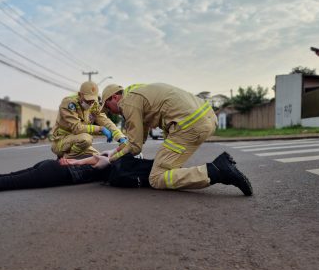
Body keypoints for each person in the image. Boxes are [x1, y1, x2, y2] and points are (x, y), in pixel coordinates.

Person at [101, 83, 253, 196]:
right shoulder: (138, 93)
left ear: (114, 97)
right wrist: (120, 149)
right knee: (166, 166)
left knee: (156, 177)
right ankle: (196, 173)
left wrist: (112, 158)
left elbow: (135, 146)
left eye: (107, 107)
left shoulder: (127, 102)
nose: (109, 112)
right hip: (206, 118)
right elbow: (141, 137)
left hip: (190, 125)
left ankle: (217, 171)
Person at [0, 152, 250, 196]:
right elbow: (98, 161)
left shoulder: (125, 160)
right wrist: (81, 162)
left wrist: (72, 159)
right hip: (65, 173)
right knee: (10, 182)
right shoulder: (117, 161)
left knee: (9, 175)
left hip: (55, 166)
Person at [49, 81, 127, 159]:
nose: (90, 103)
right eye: (87, 100)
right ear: (80, 95)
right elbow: (77, 128)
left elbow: (105, 121)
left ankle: (73, 156)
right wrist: (100, 128)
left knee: (100, 157)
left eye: (92, 101)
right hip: (61, 142)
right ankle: (66, 158)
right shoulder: (69, 103)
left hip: (78, 141)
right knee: (86, 139)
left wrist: (120, 137)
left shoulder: (94, 105)